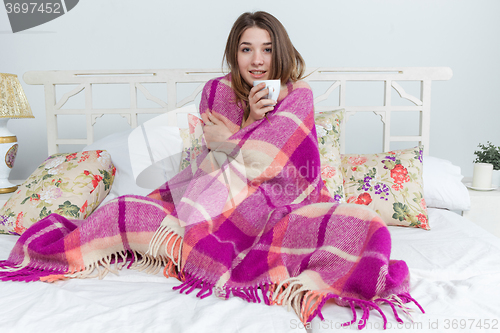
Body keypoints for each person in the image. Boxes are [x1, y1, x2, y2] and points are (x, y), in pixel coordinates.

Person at [0, 11, 418, 328]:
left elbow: (276, 163)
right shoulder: (215, 93)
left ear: (281, 52)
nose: (257, 60)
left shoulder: (297, 95)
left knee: (362, 224)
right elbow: (211, 168)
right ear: (234, 53)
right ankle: (56, 253)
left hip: (285, 202)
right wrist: (241, 132)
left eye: (267, 49)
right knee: (124, 209)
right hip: (216, 200)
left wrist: (238, 134)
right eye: (247, 49)